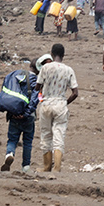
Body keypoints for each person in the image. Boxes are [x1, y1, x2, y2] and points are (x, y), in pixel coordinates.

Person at [37, 43, 78, 172]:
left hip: (46, 103)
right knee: (59, 135)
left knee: (46, 135)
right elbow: (75, 93)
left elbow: (37, 87)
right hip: (60, 104)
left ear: (52, 54)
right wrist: (65, 102)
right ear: (63, 55)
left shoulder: (46, 68)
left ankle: (46, 166)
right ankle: (57, 167)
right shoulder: (69, 70)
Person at [0, 56, 42, 174]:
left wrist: (14, 112)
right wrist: (25, 114)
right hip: (28, 117)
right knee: (27, 142)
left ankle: (10, 153)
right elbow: (34, 100)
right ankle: (26, 166)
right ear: (39, 70)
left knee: (12, 139)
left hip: (13, 114)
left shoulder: (16, 75)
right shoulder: (36, 81)